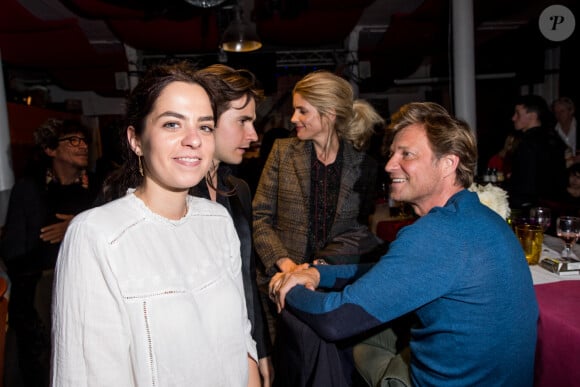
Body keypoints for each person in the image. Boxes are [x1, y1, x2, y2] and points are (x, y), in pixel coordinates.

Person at [269, 102, 538, 386]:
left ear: (448, 163)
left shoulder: (437, 234)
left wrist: (288, 285)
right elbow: (392, 273)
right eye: (392, 153)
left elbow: (335, 320)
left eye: (406, 154)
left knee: (319, 333)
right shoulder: (477, 216)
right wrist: (317, 273)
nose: (388, 165)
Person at [51, 62, 260, 386]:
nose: (194, 140)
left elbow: (240, 336)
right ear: (136, 139)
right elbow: (86, 376)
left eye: (204, 126)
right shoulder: (98, 235)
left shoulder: (218, 220)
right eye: (172, 124)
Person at [190, 64, 273, 386]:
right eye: (242, 121)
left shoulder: (238, 190)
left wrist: (259, 350)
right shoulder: (170, 194)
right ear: (207, 121)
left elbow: (246, 280)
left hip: (236, 347)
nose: (252, 135)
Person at [0, 118, 100, 387]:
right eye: (73, 140)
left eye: (84, 141)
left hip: (87, 289)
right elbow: (14, 252)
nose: (82, 146)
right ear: (50, 149)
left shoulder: (96, 190)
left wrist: (75, 226)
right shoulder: (30, 189)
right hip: (40, 291)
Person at [505, 94, 567, 210]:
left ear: (532, 116)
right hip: (553, 206)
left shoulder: (529, 142)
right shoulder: (554, 138)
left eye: (518, 113)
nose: (513, 118)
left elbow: (526, 185)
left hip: (532, 209)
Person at [552, 96, 578, 167]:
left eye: (562, 111)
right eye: (556, 112)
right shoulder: (552, 132)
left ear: (571, 111)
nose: (558, 115)